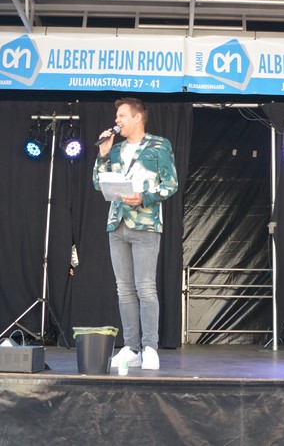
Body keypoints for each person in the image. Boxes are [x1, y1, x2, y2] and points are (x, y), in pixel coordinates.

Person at [93, 98, 178, 371]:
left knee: (146, 287)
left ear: (137, 117)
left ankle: (150, 347)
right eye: (116, 116)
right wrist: (103, 154)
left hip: (145, 224)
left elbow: (171, 184)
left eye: (121, 116)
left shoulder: (159, 145)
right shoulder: (115, 150)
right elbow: (98, 183)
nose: (116, 120)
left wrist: (144, 197)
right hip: (117, 224)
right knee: (124, 288)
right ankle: (131, 348)